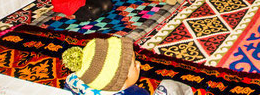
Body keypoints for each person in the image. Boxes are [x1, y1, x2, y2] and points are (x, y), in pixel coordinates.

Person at [62, 36, 193, 95]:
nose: (139, 64)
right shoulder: (136, 93)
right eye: (134, 65)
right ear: (121, 83)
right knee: (169, 86)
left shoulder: (75, 80)